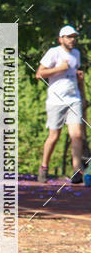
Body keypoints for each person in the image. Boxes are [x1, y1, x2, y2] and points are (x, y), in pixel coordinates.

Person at [36, 25, 86, 183]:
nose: (72, 40)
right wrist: (59, 68)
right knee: (54, 136)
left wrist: (81, 85)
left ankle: (77, 172)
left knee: (77, 135)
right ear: (61, 39)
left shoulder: (76, 54)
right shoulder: (54, 52)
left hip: (74, 99)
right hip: (56, 100)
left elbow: (74, 74)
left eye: (74, 37)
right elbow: (39, 74)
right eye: (69, 37)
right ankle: (44, 166)